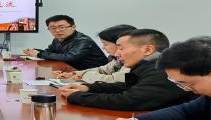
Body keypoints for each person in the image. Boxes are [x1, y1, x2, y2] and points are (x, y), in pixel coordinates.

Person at [58, 29, 194, 111]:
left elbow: (129, 100)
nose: (117, 54)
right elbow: (126, 86)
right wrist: (87, 88)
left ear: (148, 49)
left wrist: (77, 96)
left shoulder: (162, 70)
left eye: (121, 48)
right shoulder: (147, 66)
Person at [53, 24, 135, 83]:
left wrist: (84, 75)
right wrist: (73, 74)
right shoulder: (117, 59)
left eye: (106, 44)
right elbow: (102, 70)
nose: (103, 48)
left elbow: (114, 80)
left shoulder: (133, 61)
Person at [22, 15, 108, 70]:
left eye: (62, 27)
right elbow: (50, 52)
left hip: (95, 74)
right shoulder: (57, 39)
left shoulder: (83, 40)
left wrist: (39, 54)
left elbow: (70, 57)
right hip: (73, 71)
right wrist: (35, 51)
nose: (57, 30)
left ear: (73, 27)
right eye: (53, 28)